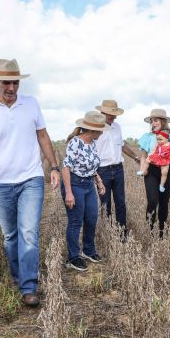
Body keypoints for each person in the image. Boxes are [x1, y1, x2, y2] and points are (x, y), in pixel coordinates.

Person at [0, 59, 61, 307]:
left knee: (29, 233)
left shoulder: (31, 103)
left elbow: (42, 136)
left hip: (30, 178)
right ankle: (17, 275)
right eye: (6, 82)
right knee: (11, 236)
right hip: (0, 182)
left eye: (15, 82)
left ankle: (28, 286)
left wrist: (54, 167)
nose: (11, 87)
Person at [61, 111, 108, 271]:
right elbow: (66, 167)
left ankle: (88, 251)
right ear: (93, 130)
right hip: (75, 184)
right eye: (100, 130)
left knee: (92, 218)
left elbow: (90, 166)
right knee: (76, 221)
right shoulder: (76, 143)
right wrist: (68, 192)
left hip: (89, 185)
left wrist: (98, 181)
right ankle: (73, 257)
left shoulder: (91, 143)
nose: (102, 133)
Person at [93, 100, 139, 236]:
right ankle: (108, 234)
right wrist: (95, 174)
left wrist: (136, 157)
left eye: (115, 115)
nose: (114, 118)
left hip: (118, 169)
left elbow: (122, 145)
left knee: (120, 203)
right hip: (102, 171)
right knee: (105, 204)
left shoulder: (117, 127)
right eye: (111, 115)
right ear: (102, 113)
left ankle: (122, 232)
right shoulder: (95, 128)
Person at [137, 109, 170, 237]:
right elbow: (143, 156)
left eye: (156, 120)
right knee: (152, 201)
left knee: (164, 202)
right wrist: (143, 169)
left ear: (163, 121)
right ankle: (150, 232)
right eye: (152, 121)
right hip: (151, 171)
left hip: (166, 170)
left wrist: (168, 150)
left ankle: (161, 233)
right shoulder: (147, 137)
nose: (153, 123)